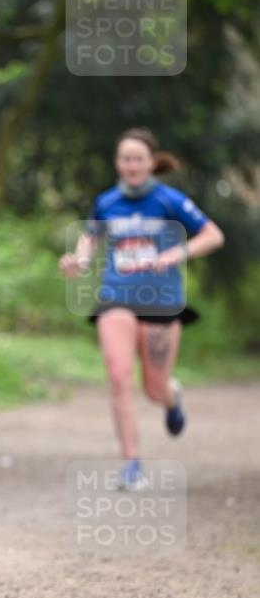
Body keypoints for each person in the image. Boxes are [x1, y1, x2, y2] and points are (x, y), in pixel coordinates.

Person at [59, 128, 224, 489]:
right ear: (118, 163)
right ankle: (131, 464)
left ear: (151, 162)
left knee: (153, 388)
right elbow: (89, 240)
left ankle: (171, 396)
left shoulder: (170, 201)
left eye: (138, 159)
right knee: (119, 377)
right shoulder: (106, 202)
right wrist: (79, 262)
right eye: (125, 159)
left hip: (161, 303)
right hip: (116, 297)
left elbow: (213, 235)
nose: (131, 165)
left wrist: (177, 253)